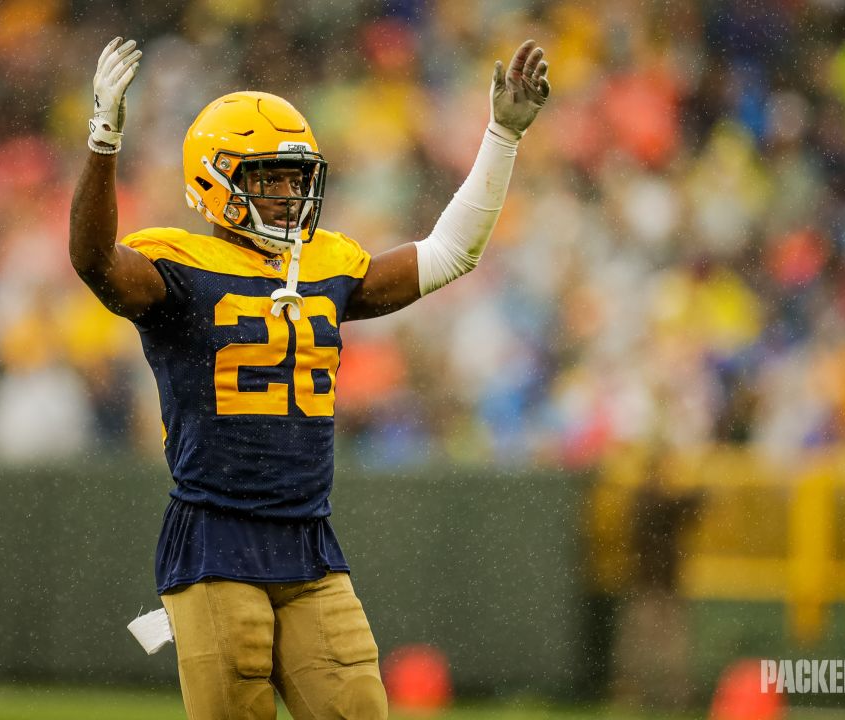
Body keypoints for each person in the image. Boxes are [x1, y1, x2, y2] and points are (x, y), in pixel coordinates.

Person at [69, 35, 550, 720]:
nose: (289, 193)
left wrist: (502, 135)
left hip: (309, 541)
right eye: (269, 178)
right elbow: (94, 262)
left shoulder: (324, 265)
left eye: (296, 178)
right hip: (216, 538)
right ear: (217, 180)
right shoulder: (177, 266)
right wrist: (105, 138)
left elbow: (449, 253)